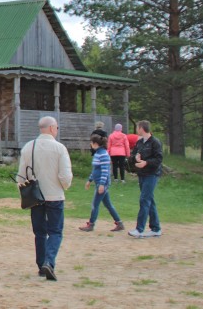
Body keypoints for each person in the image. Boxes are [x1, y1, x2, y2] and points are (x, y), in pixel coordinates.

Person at [17, 116, 73, 281]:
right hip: (55, 194)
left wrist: (24, 189)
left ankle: (41, 265)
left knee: (39, 232)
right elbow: (65, 175)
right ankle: (49, 261)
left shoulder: (29, 147)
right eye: (56, 128)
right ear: (51, 128)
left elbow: (21, 176)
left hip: (36, 196)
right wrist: (65, 186)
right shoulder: (59, 148)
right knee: (55, 231)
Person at [79, 134, 125, 232]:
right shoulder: (97, 154)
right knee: (108, 205)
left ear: (95, 143)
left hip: (102, 184)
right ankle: (119, 223)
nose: (90, 145)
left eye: (91, 143)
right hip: (98, 183)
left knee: (95, 204)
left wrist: (102, 184)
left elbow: (105, 171)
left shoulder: (103, 154)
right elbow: (95, 169)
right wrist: (89, 180)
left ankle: (91, 224)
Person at [128, 120, 162, 238]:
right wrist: (135, 159)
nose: (136, 129)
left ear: (141, 128)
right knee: (149, 200)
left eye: (137, 127)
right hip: (142, 174)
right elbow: (132, 156)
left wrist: (146, 162)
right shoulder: (140, 142)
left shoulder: (155, 142)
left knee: (144, 200)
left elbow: (158, 160)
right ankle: (156, 228)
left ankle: (139, 229)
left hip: (152, 175)